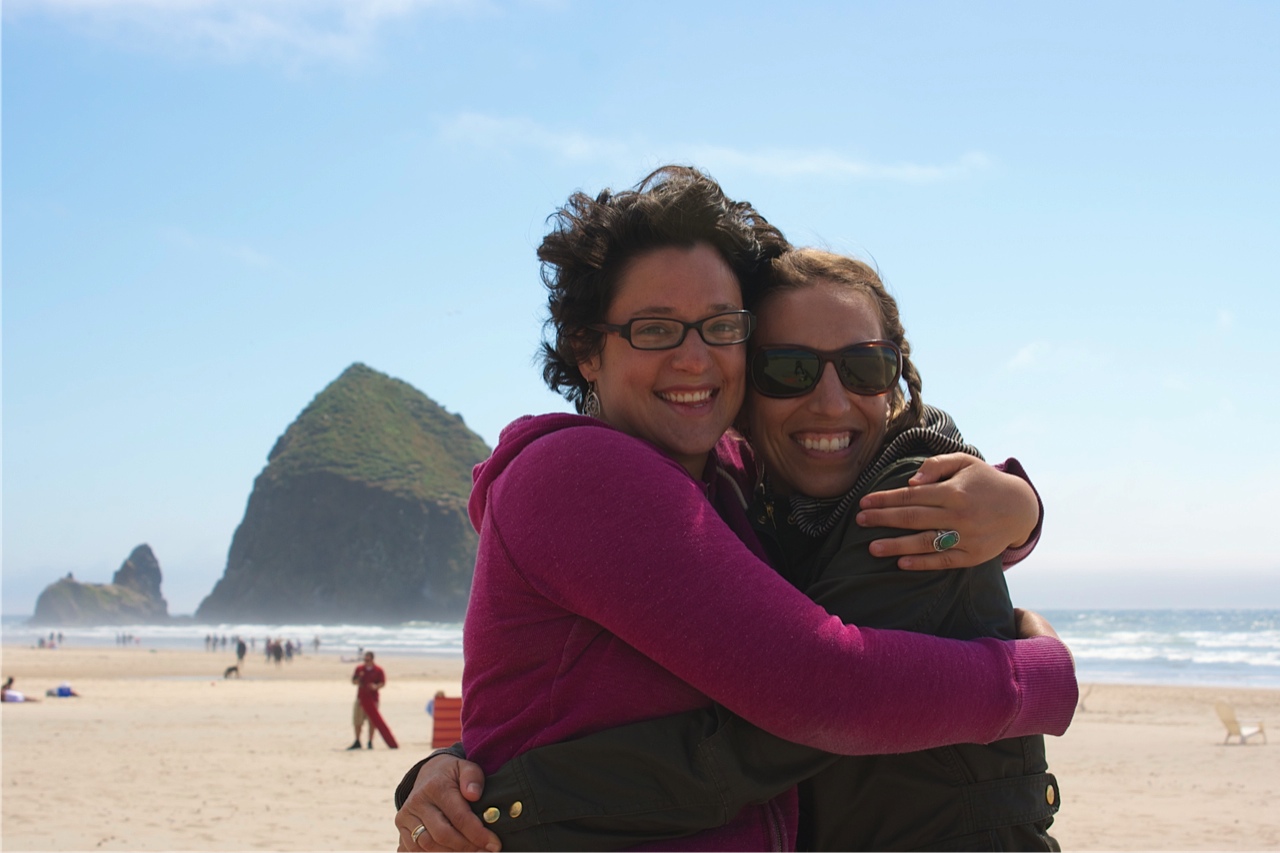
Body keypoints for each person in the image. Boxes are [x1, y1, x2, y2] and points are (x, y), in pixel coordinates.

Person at [393, 166, 1076, 851]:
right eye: (656, 329)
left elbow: (841, 497)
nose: (695, 359)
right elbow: (819, 688)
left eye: (720, 326)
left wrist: (1017, 505)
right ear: (586, 349)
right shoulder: (580, 472)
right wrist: (1039, 677)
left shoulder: (733, 483)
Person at [351, 650, 398, 750]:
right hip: (361, 698)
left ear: (372, 659)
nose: (366, 661)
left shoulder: (378, 670)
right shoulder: (359, 669)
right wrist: (357, 680)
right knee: (357, 721)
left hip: (373, 699)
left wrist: (375, 686)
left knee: (372, 721)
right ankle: (357, 740)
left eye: (368, 659)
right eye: (365, 659)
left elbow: (382, 683)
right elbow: (354, 681)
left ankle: (370, 741)